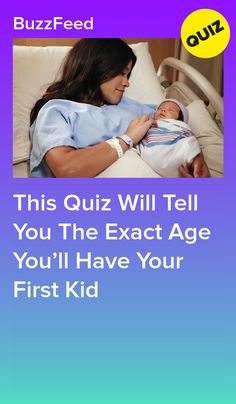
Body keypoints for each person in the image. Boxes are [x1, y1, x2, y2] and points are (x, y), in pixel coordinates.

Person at [29, 38, 209, 178]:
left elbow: (174, 120)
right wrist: (127, 139)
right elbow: (67, 169)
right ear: (96, 68)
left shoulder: (130, 106)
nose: (127, 82)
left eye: (128, 74)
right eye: (121, 73)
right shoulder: (56, 111)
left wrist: (195, 156)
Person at [139, 99, 201, 177]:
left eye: (170, 110)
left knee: (188, 145)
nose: (163, 110)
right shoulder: (150, 123)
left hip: (178, 155)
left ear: (180, 119)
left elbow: (187, 135)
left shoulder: (178, 125)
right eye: (160, 109)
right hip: (152, 155)